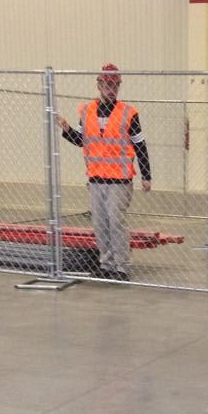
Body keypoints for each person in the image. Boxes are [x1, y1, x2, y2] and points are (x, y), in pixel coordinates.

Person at [56, 63, 151, 281]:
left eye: (115, 85)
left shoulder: (129, 113)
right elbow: (81, 141)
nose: (112, 88)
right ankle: (107, 265)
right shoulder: (87, 111)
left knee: (116, 222)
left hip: (119, 180)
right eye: (107, 84)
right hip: (96, 179)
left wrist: (146, 175)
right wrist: (66, 128)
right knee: (100, 224)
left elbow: (140, 146)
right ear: (99, 84)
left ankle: (121, 267)